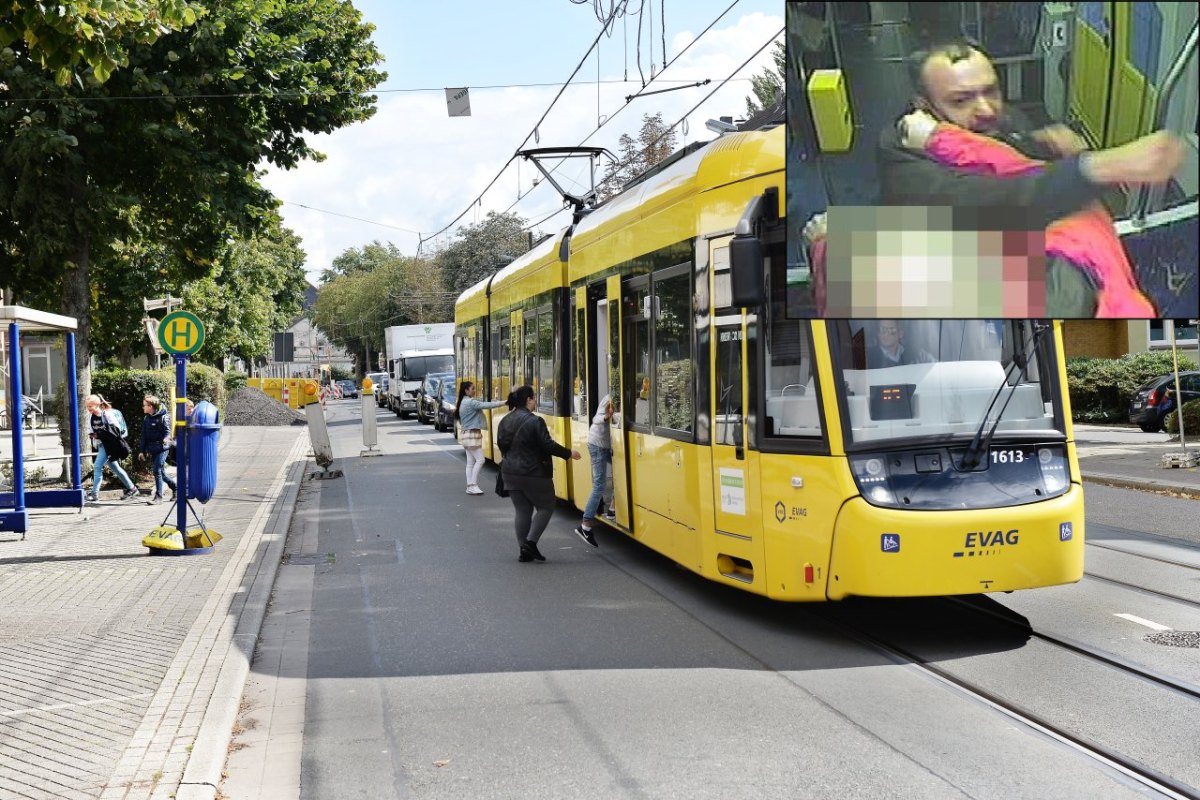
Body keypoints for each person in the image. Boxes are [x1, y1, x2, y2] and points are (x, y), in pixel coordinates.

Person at [877, 39, 1185, 315]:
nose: (985, 108)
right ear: (924, 107)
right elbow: (985, 202)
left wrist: (1038, 141)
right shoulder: (902, 154)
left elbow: (1005, 158)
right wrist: (1096, 167)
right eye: (961, 100)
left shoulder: (1002, 121)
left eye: (991, 91)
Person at [899, 115, 1158, 317]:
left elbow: (991, 155)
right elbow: (995, 156)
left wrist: (932, 135)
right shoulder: (1085, 203)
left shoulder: (1036, 181)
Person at [496, 385, 581, 563]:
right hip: (533, 473)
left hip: (510, 472)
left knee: (522, 510)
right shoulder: (535, 421)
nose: (536, 401)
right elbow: (547, 445)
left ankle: (523, 551)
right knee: (546, 506)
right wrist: (568, 453)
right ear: (528, 400)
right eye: (534, 398)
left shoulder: (505, 420)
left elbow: (502, 444)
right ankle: (530, 543)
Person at [574, 393, 614, 547]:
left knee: (621, 474)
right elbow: (596, 419)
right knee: (599, 485)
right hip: (597, 445)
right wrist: (606, 417)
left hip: (605, 446)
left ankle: (612, 509)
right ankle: (585, 525)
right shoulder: (609, 397)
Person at [85, 394, 139, 502]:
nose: (88, 408)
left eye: (90, 406)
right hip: (101, 445)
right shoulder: (91, 417)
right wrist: (93, 435)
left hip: (109, 445)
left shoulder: (107, 415)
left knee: (97, 466)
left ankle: (94, 494)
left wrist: (100, 434)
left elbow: (116, 430)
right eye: (87, 406)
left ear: (97, 405)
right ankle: (132, 488)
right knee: (115, 468)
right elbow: (90, 430)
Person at [454, 380, 504, 495]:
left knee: (470, 463)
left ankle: (469, 486)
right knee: (480, 460)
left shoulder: (462, 402)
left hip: (466, 435)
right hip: (472, 435)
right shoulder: (471, 402)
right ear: (466, 390)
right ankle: (473, 485)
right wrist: (503, 402)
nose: (474, 391)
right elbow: (487, 405)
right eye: (472, 388)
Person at [138, 395, 177, 504]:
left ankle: (158, 497)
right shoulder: (147, 418)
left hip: (162, 447)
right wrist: (142, 451)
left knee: (156, 470)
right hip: (152, 448)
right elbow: (144, 436)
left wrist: (166, 438)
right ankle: (176, 488)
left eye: (144, 405)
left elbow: (167, 431)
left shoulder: (163, 417)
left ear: (151, 406)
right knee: (161, 473)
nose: (143, 407)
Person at [866, 320, 934, 369]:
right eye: (882, 329)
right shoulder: (867, 357)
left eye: (891, 330)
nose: (885, 334)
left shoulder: (918, 354)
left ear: (900, 334)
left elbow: (938, 367)